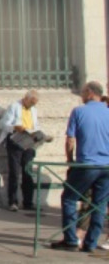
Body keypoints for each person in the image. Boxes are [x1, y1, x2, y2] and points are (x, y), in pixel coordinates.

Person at [51, 81, 109, 252]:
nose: (81, 96)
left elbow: (70, 140)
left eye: (83, 92)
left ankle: (71, 240)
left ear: (90, 92)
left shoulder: (79, 111)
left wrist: (70, 161)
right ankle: (91, 243)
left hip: (87, 164)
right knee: (99, 204)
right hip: (106, 165)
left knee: (69, 198)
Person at [0, 90, 40, 211]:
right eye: (31, 103)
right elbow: (2, 124)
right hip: (15, 141)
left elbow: (36, 125)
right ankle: (13, 201)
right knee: (14, 172)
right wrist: (14, 127)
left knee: (28, 171)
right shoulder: (14, 107)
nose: (32, 106)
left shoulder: (33, 110)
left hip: (28, 142)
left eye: (34, 104)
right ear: (26, 98)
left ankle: (28, 202)